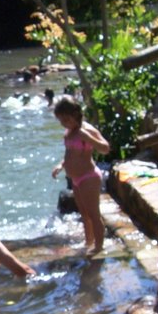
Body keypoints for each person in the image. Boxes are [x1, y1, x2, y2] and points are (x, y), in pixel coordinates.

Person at [51, 96, 111, 254]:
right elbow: (69, 152)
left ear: (76, 114)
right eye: (60, 120)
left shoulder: (86, 130)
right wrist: (61, 165)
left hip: (88, 177)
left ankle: (99, 247)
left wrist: (89, 138)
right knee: (83, 214)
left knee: (93, 214)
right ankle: (89, 242)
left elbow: (105, 148)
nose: (63, 123)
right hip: (75, 179)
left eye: (66, 119)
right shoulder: (69, 131)